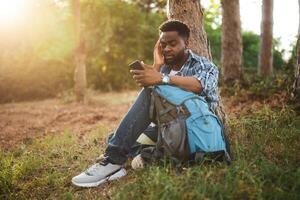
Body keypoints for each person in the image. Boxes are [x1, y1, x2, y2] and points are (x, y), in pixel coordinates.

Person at [72, 20, 219, 187]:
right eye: (163, 44)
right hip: (168, 129)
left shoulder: (204, 65)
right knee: (116, 137)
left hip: (195, 130)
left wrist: (162, 79)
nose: (167, 49)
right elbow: (151, 106)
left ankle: (113, 161)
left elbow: (198, 85)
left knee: (149, 94)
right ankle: (154, 156)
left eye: (173, 44)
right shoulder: (164, 67)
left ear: (187, 43)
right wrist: (157, 65)